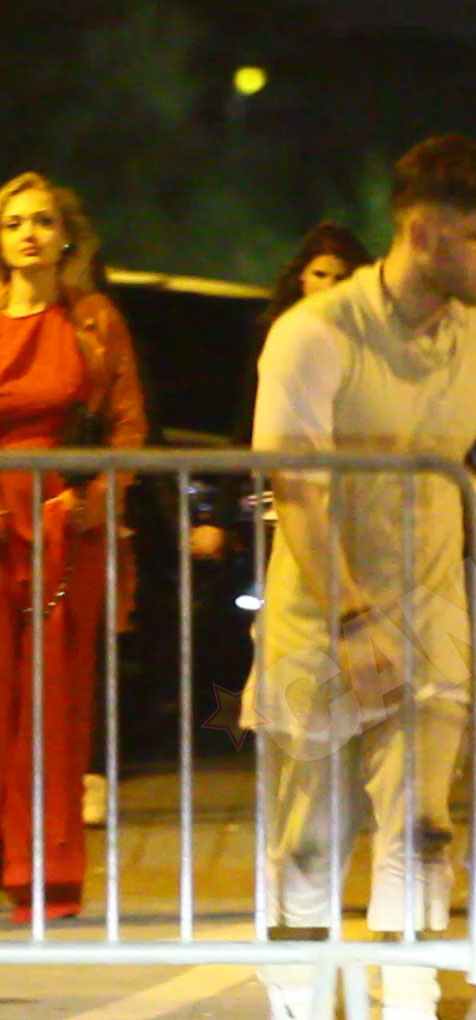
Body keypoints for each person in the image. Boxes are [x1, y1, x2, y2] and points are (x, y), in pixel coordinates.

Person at [244, 135, 476, 1020]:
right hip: (318, 623)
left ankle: (408, 1000)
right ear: (422, 231)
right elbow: (295, 488)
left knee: (424, 831)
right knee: (309, 838)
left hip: (434, 619)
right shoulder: (314, 333)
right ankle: (297, 999)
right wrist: (351, 619)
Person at [0, 171, 147, 921]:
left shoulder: (93, 319)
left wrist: (94, 501)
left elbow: (127, 424)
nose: (28, 233)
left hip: (64, 523)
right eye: (13, 222)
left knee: (55, 704)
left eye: (42, 221)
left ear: (65, 236)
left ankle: (46, 874)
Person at [190, 221, 372, 560]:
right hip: (291, 497)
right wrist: (219, 518)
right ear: (301, 276)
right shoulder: (279, 337)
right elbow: (247, 423)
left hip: (355, 499)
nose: (329, 286)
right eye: (320, 274)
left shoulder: (368, 342)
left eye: (341, 277)